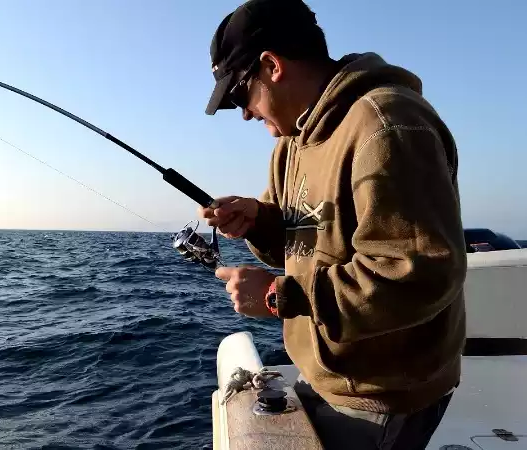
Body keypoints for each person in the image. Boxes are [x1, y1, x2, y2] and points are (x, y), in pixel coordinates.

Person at [199, 0, 467, 448]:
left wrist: (274, 295)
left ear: (272, 65)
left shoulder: (388, 125)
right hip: (331, 375)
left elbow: (418, 275)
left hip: (383, 395)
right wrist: (259, 222)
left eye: (240, 94)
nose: (243, 113)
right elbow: (305, 236)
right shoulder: (290, 144)